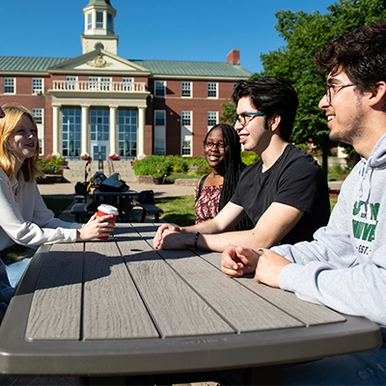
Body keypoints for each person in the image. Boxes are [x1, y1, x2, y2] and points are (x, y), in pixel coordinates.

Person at [222, 21, 386, 385]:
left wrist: (287, 274)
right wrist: (261, 258)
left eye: (333, 87)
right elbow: (333, 247)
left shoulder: (304, 169)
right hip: (352, 332)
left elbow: (382, 293)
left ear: (375, 92)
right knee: (239, 368)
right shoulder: (363, 173)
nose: (321, 102)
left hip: (375, 350)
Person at [153, 77, 330, 252]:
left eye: (246, 117)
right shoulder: (251, 173)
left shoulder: (300, 170)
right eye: (237, 118)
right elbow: (219, 223)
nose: (237, 126)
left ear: (274, 121)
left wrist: (188, 240)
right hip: (257, 273)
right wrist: (179, 230)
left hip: (298, 275)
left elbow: (260, 239)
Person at [0, 103, 115, 323]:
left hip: (2, 259)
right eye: (21, 131)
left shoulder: (25, 176)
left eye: (33, 130)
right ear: (4, 136)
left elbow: (44, 220)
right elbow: (21, 233)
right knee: (11, 320)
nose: (31, 136)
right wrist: (79, 236)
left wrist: (83, 228)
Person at [195, 123, 249, 230]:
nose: (214, 149)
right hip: (199, 243)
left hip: (230, 244)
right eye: (209, 143)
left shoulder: (245, 178)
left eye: (221, 144)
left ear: (232, 147)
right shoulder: (202, 182)